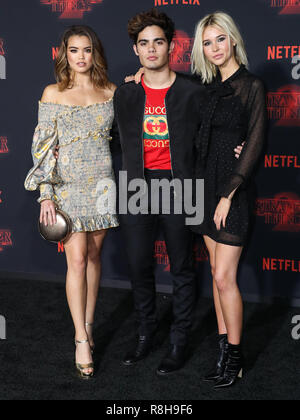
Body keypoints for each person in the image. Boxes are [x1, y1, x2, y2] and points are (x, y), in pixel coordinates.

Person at [114, 9, 242, 377]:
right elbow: (103, 133)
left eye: (158, 42)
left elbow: (221, 128)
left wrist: (240, 146)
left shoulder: (193, 91)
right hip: (137, 186)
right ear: (136, 50)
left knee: (182, 268)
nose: (151, 49)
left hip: (179, 186)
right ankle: (145, 333)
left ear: (171, 46)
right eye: (144, 44)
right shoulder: (125, 92)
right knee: (139, 265)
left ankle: (178, 340)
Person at [24, 25, 119, 380]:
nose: (81, 57)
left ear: (95, 54)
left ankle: (90, 324)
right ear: (65, 54)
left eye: (87, 50)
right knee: (76, 259)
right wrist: (45, 193)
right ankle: (80, 337)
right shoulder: (53, 93)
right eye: (74, 50)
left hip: (102, 186)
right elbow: (42, 148)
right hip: (68, 186)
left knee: (94, 257)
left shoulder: (110, 91)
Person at [190, 12, 267, 389]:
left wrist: (228, 194)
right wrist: (136, 78)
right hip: (203, 188)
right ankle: (223, 354)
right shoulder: (203, 88)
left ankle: (236, 359)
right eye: (207, 42)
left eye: (220, 39)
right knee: (217, 280)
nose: (215, 48)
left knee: (224, 276)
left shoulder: (252, 85)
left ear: (233, 40)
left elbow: (255, 141)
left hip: (230, 191)